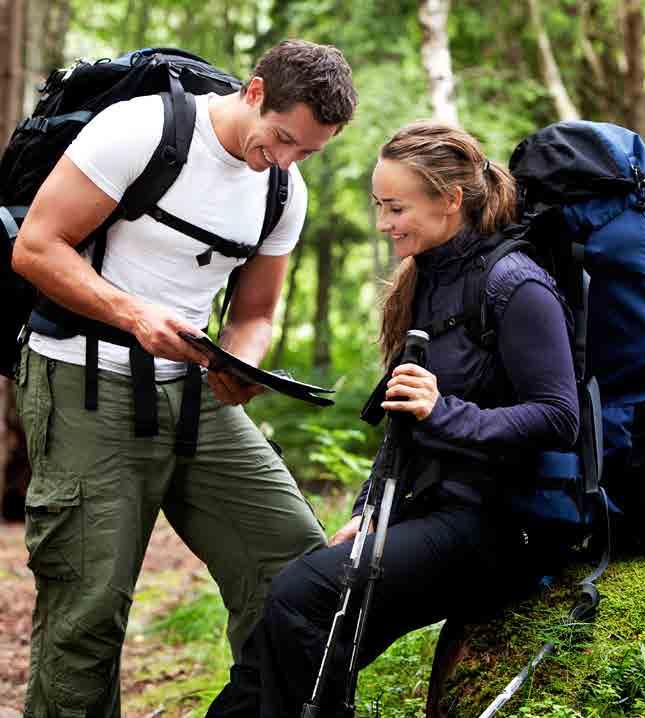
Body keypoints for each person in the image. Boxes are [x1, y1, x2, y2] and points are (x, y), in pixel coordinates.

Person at [11, 40, 357, 716]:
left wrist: (241, 360)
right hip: (83, 379)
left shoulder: (283, 188)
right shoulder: (141, 130)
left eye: (308, 152)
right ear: (254, 93)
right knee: (88, 610)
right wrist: (133, 312)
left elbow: (256, 312)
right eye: (283, 139)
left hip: (195, 393)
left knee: (296, 568)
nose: (285, 159)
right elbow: (36, 248)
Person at [241, 121, 580, 717]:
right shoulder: (426, 278)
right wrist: (368, 513)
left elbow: (558, 418)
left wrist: (444, 411)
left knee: (302, 595)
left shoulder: (516, 284)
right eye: (378, 205)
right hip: (431, 512)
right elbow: (402, 427)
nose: (382, 223)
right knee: (279, 649)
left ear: (450, 200)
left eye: (396, 207)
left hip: (501, 527)